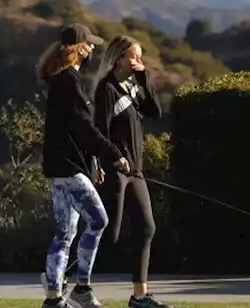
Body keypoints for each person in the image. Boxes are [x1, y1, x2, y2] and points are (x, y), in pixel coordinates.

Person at [38, 23, 131, 308]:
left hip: (59, 169)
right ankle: (81, 287)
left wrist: (93, 163)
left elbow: (70, 130)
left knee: (65, 234)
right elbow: (84, 128)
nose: (92, 48)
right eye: (89, 44)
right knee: (98, 220)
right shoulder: (70, 81)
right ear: (79, 49)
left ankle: (54, 299)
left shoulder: (60, 80)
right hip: (69, 169)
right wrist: (113, 154)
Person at [93, 35, 167, 308]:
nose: (137, 61)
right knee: (108, 232)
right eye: (133, 56)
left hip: (136, 171)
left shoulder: (134, 85)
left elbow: (155, 112)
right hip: (115, 169)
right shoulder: (106, 89)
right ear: (119, 58)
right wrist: (112, 159)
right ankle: (64, 278)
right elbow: (99, 131)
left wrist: (145, 78)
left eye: (139, 56)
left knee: (147, 227)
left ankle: (139, 296)